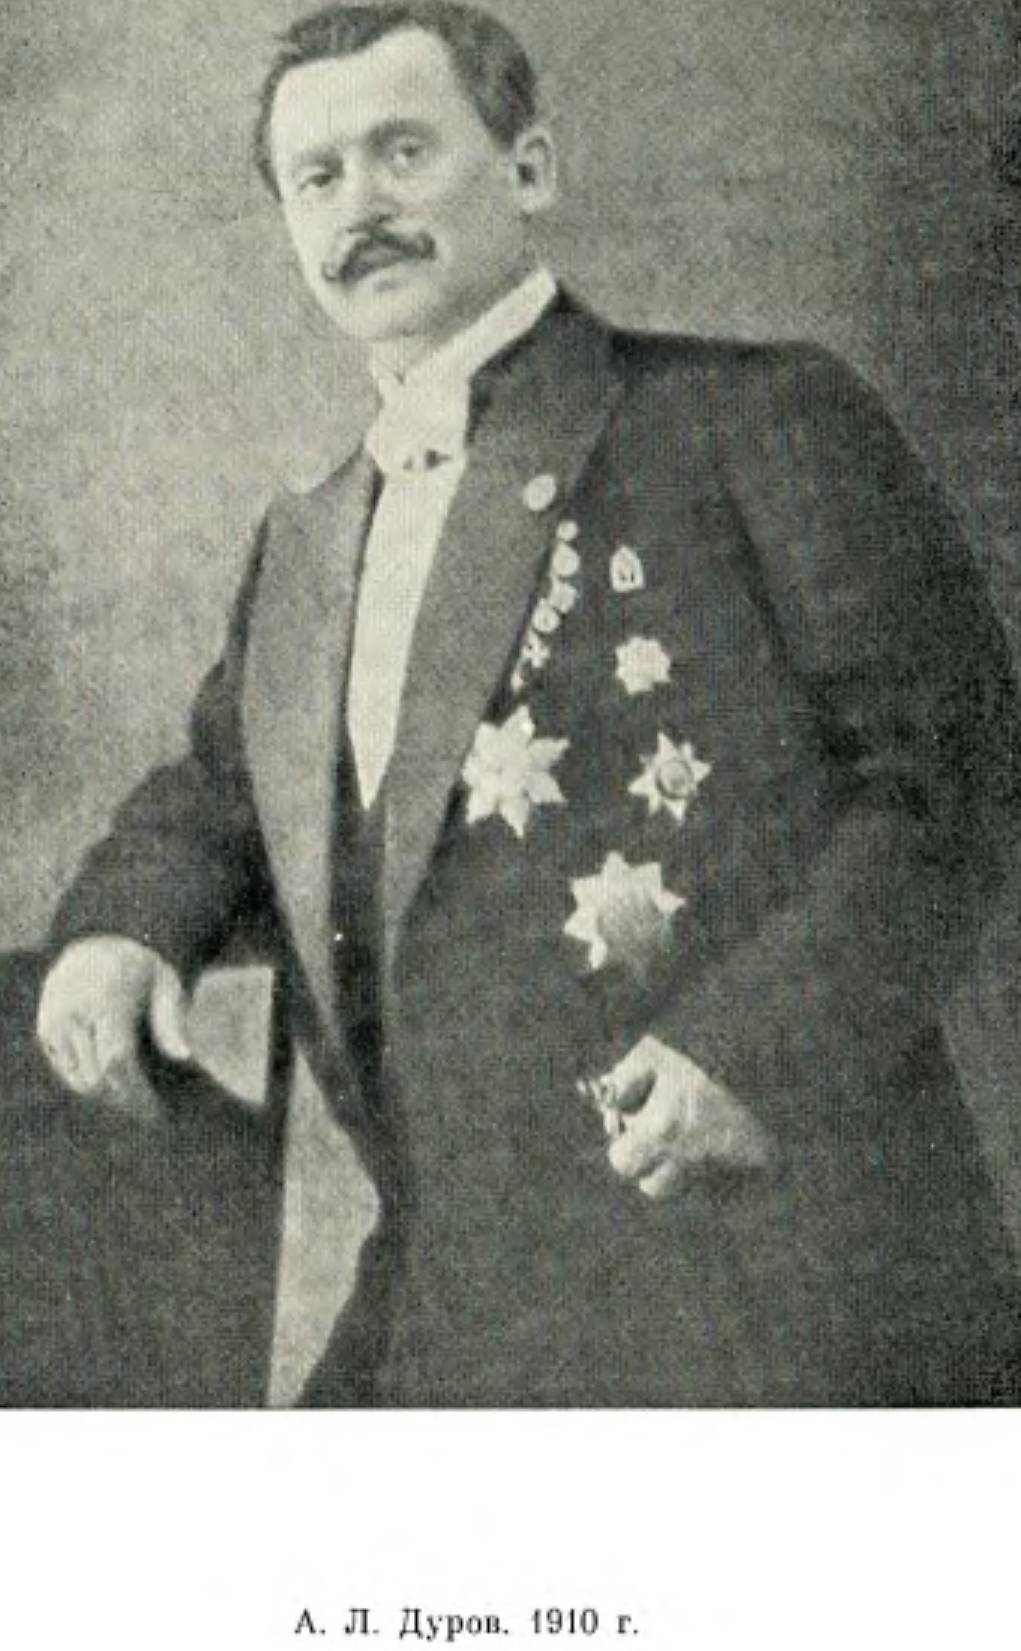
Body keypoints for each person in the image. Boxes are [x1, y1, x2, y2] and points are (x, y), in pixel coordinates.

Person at [36, 0, 1021, 1406]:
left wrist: (753, 1052)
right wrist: (123, 930)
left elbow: (948, 778)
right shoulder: (307, 542)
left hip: (758, 1281)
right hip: (451, 1294)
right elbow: (224, 793)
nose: (360, 208)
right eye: (317, 178)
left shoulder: (748, 421)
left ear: (529, 167)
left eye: (403, 152)